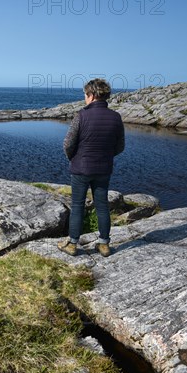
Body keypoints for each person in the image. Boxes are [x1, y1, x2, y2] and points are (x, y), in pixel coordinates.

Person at [57, 78, 125, 257]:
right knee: (102, 206)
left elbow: (67, 144)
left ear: (92, 95)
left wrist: (73, 158)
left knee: (78, 205)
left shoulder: (81, 115)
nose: (85, 98)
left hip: (81, 168)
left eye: (86, 95)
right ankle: (104, 245)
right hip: (103, 168)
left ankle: (72, 244)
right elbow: (120, 146)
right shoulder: (116, 117)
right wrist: (105, 156)